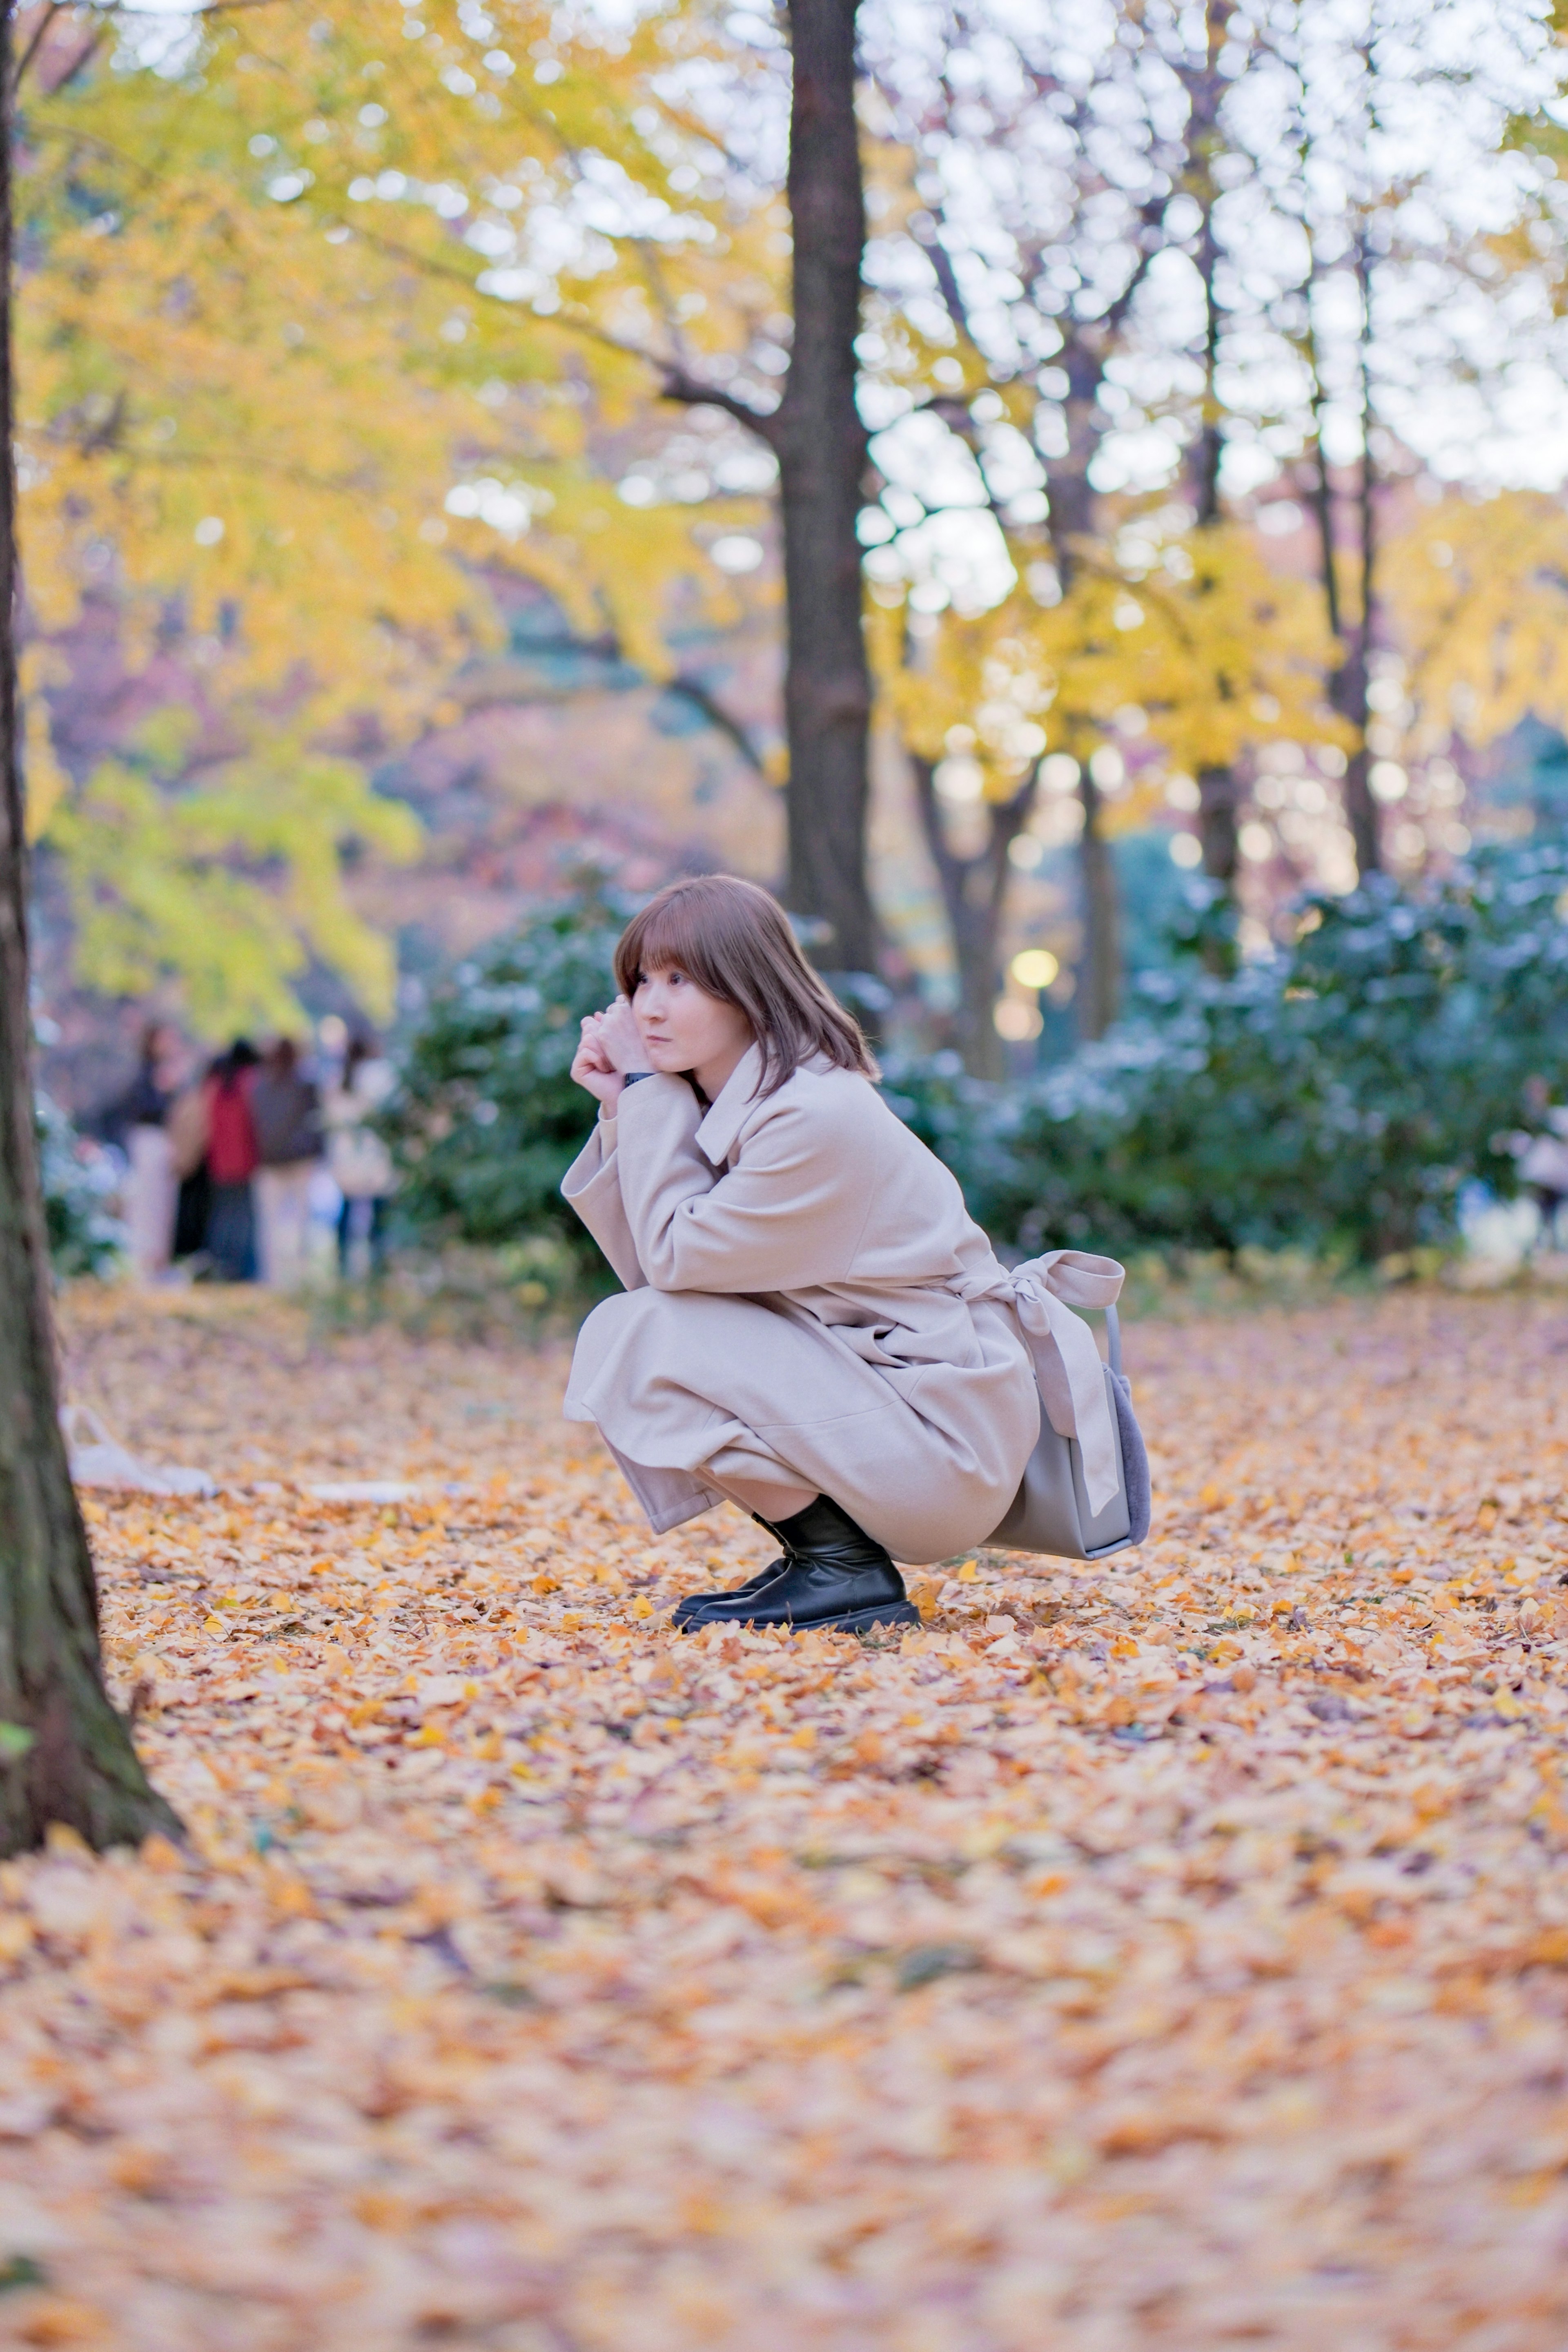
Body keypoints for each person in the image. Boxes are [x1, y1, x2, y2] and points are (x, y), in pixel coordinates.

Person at [560, 874, 1124, 1637]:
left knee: (640, 1331)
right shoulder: (747, 1105)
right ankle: (825, 1558)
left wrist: (642, 1088)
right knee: (645, 1328)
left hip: (940, 1448)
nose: (648, 1005)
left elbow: (671, 1260)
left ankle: (844, 1569)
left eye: (679, 979)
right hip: (894, 1412)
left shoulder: (813, 1117)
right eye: (640, 981)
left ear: (747, 985)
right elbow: (668, 1268)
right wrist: (630, 1103)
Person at [105, 1021, 182, 1280]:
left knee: (161, 1205)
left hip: (161, 1141)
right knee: (148, 1203)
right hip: (148, 1140)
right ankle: (143, 1261)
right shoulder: (146, 1074)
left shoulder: (163, 1072)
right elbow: (137, 1109)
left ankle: (157, 1261)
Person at [250, 1037, 322, 1289]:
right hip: (299, 1161)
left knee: (269, 1226)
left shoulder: (260, 1085)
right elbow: (317, 1123)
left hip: (270, 1162)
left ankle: (272, 1280)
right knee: (302, 1223)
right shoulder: (306, 1084)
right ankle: (301, 1279)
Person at [325, 1032, 395, 1277]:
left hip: (348, 1160)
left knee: (346, 1216)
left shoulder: (338, 1080)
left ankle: (343, 1271)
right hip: (376, 1159)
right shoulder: (381, 1076)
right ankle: (378, 1272)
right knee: (379, 1218)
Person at [202, 1040, 261, 1281]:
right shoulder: (249, 1083)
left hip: (219, 1162)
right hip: (246, 1161)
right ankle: (240, 1271)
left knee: (222, 1214)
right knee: (244, 1217)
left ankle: (219, 1266)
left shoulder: (214, 1087)